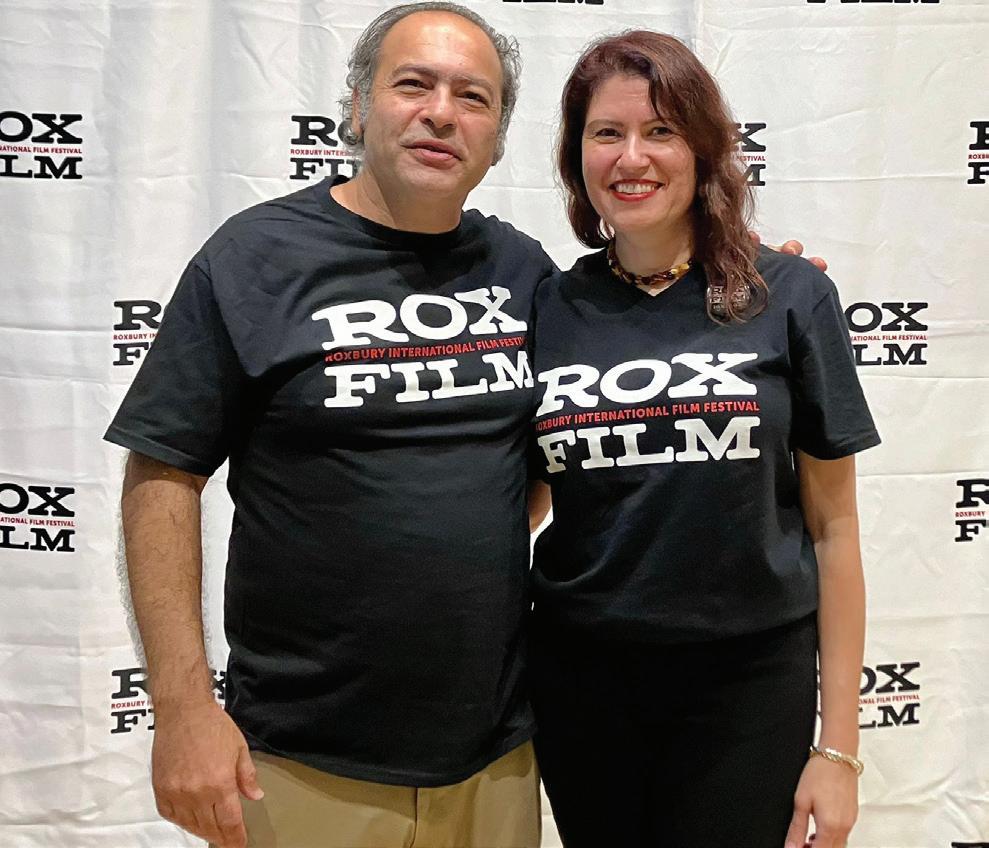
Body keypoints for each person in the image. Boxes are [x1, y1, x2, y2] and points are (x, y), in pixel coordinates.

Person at [105, 5, 823, 847]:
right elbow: (163, 474)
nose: (441, 113)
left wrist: (758, 293)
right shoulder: (254, 259)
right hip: (304, 754)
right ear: (357, 106)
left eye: (472, 96)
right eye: (413, 84)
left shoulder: (521, 272)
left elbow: (592, 405)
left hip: (498, 751)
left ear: (497, 136)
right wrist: (184, 708)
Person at [527, 31, 879, 848]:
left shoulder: (788, 294)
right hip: (581, 687)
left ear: (703, 148)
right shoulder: (547, 308)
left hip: (746, 685)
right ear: (577, 156)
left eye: (660, 130)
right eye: (606, 133)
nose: (631, 157)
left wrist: (838, 749)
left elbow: (834, 529)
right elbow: (530, 497)